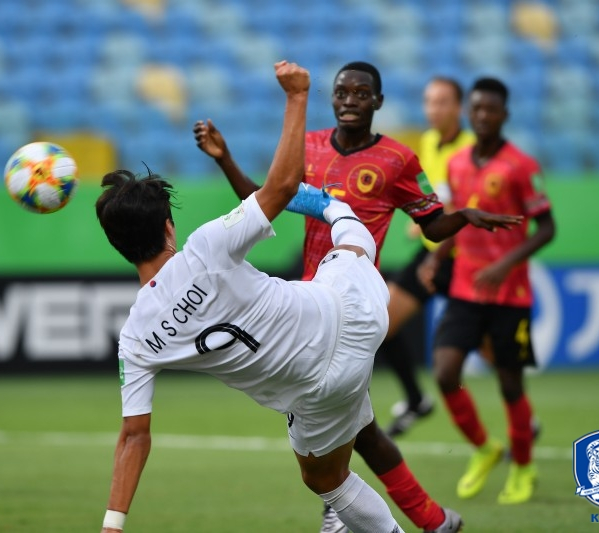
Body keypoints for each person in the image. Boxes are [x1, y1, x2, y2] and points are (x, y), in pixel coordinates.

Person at [194, 61, 521, 533]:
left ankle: (343, 513)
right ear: (332, 100)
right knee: (359, 428)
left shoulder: (399, 160)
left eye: (361, 93)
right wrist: (225, 159)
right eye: (342, 92)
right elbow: (262, 200)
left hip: (353, 307)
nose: (350, 100)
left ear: (378, 102)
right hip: (309, 305)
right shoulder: (307, 147)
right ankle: (429, 520)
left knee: (332, 419)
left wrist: (464, 216)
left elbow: (431, 225)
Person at [98, 61, 407, 533]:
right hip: (354, 315)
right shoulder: (206, 246)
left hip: (316, 389)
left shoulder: (137, 340)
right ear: (168, 227)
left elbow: (133, 437)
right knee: (346, 232)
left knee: (326, 480)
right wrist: (298, 95)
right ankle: (334, 206)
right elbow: (281, 188)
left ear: (118, 248)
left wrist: (112, 526)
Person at [422, 77, 556, 505]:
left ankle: (522, 465)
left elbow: (548, 227)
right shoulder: (458, 163)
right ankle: (484, 448)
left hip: (509, 295)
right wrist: (435, 258)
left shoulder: (521, 165)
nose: (482, 116)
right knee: (445, 373)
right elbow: (459, 221)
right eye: (476, 109)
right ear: (470, 112)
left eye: (490, 110)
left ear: (504, 115)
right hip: (465, 288)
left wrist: (506, 262)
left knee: (510, 386)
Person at [380, 77, 476, 438]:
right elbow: (435, 197)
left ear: (459, 108)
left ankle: (523, 422)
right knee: (382, 321)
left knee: (494, 349)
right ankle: (416, 399)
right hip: (434, 252)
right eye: (429, 102)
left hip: (466, 256)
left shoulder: (472, 148)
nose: (433, 109)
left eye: (441, 102)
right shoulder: (429, 142)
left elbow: (467, 204)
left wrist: (438, 214)